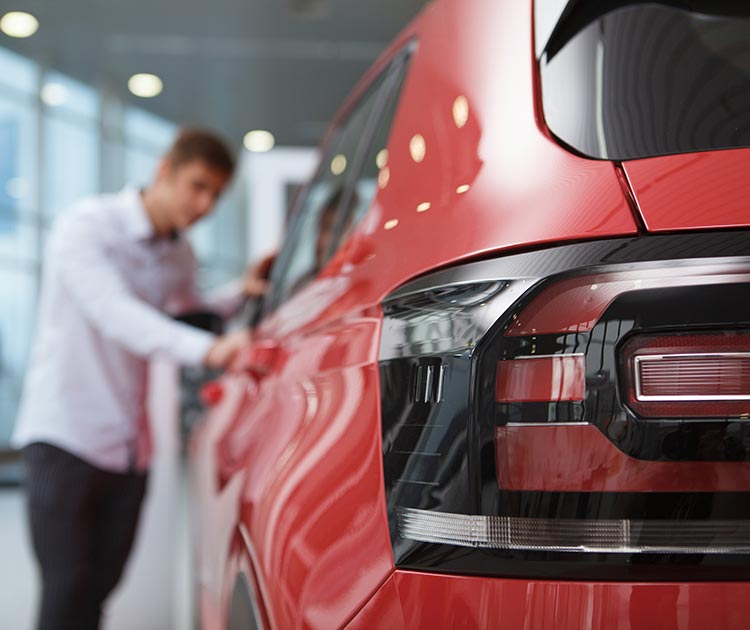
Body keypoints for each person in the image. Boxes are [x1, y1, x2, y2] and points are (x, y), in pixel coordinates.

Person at [11, 127, 268, 630]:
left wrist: (245, 289)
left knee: (100, 590)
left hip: (130, 448)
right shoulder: (86, 228)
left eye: (217, 195)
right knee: (66, 594)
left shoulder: (179, 255)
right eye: (198, 186)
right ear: (164, 170)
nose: (206, 204)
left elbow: (186, 312)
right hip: (67, 438)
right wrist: (210, 349)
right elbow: (118, 314)